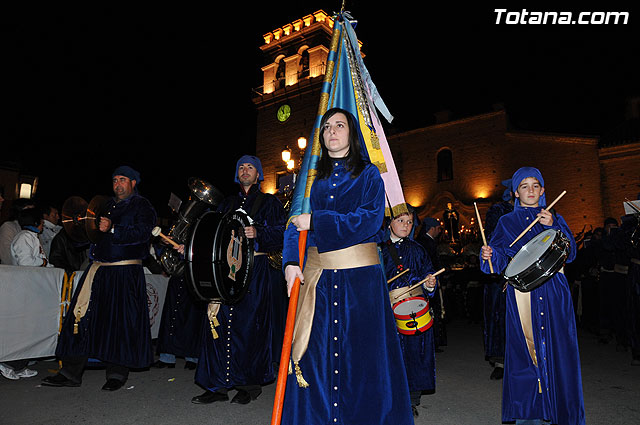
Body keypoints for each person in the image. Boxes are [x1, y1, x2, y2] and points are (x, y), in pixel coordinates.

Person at [282, 108, 414, 425]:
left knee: (364, 360)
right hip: (319, 283)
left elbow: (368, 221)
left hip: (361, 285)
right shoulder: (310, 180)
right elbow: (292, 226)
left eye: (340, 125)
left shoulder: (369, 175)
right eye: (327, 126)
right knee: (315, 359)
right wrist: (289, 262)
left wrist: (317, 221)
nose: (332, 131)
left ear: (351, 134)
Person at [480, 167, 585, 425]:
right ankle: (531, 416)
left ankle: (562, 412)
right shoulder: (506, 222)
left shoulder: (554, 217)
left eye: (535, 185)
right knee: (527, 353)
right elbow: (498, 261)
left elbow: (570, 254)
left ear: (543, 190)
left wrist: (556, 224)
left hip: (555, 292)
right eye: (524, 186)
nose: (530, 190)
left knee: (559, 351)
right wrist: (489, 256)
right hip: (522, 294)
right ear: (516, 192)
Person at [42, 165, 157, 391]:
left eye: (122, 179)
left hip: (124, 273)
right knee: (80, 318)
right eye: (114, 180)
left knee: (119, 323)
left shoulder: (142, 206)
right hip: (98, 271)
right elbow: (89, 237)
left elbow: (143, 232)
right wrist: (78, 228)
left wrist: (114, 229)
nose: (117, 184)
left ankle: (116, 373)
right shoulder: (105, 206)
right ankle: (70, 372)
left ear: (133, 182)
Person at [192, 154, 286, 405]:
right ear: (237, 173)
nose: (245, 171)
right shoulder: (227, 203)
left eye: (250, 167)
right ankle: (216, 386)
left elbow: (283, 233)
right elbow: (212, 232)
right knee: (217, 323)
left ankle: (248, 385)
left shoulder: (270, 203)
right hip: (225, 272)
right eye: (241, 167)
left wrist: (260, 232)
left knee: (250, 326)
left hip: (256, 269)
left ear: (259, 174)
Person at [380, 211, 438, 417]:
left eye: (410, 222)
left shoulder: (418, 249)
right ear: (389, 223)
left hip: (414, 307)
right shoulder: (378, 249)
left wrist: (431, 283)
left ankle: (412, 399)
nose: (406, 225)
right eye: (400, 221)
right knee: (388, 355)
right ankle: (389, 397)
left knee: (415, 354)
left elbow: (428, 274)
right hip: (386, 309)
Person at [482, 179, 514, 380]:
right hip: (503, 271)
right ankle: (501, 361)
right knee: (500, 316)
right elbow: (494, 237)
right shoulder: (498, 211)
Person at [417, 216, 447, 351]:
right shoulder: (426, 243)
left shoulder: (424, 241)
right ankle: (434, 342)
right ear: (433, 228)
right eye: (438, 229)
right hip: (429, 282)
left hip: (430, 282)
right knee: (432, 311)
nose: (439, 232)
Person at [0, 198, 35, 264]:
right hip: (13, 270)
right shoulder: (8, 227)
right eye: (28, 210)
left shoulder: (34, 229)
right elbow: (6, 255)